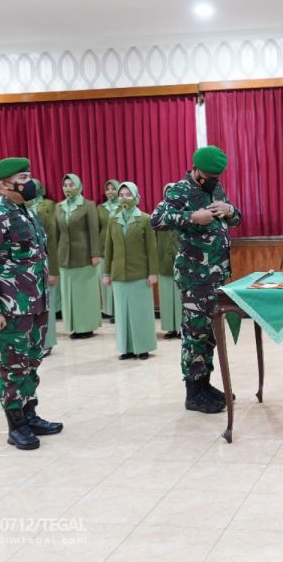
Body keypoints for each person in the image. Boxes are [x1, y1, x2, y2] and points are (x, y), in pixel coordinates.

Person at [0, 157, 62, 450]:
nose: (29, 182)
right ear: (5, 184)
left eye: (29, 176)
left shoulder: (28, 213)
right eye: (23, 178)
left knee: (32, 361)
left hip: (36, 303)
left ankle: (29, 414)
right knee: (12, 366)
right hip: (11, 307)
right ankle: (16, 425)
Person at [151, 146, 242, 414]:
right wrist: (192, 217)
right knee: (195, 334)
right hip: (194, 277)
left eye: (217, 176)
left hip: (217, 275)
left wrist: (229, 209)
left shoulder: (216, 189)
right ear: (196, 170)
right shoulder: (179, 190)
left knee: (210, 333)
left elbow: (236, 220)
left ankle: (204, 384)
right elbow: (156, 219)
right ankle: (193, 392)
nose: (214, 180)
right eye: (210, 175)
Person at [102, 181, 158, 360]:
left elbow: (152, 249)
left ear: (136, 197)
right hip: (119, 274)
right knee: (122, 313)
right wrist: (106, 273)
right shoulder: (113, 219)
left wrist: (153, 273)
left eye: (128, 195)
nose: (124, 198)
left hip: (140, 274)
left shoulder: (145, 219)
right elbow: (108, 248)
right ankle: (125, 348)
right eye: (121, 195)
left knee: (140, 312)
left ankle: (143, 347)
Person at [55, 174, 102, 339]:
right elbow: (56, 234)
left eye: (71, 185)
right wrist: (54, 256)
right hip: (64, 258)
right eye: (65, 185)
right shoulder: (59, 207)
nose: (68, 188)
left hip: (84, 256)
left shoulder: (88, 205)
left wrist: (95, 253)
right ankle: (73, 326)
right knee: (69, 294)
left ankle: (87, 327)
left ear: (79, 186)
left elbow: (94, 231)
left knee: (85, 293)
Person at [30, 179, 59, 356]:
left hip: (43, 262)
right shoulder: (17, 208)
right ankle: (32, 343)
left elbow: (52, 240)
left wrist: (53, 270)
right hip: (24, 267)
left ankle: (46, 342)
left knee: (45, 305)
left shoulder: (46, 208)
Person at [156, 183, 182, 340]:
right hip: (163, 262)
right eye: (167, 192)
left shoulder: (185, 213)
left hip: (182, 264)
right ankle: (170, 328)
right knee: (166, 298)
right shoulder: (158, 215)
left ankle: (181, 328)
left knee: (180, 297)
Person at [97, 179, 120, 321]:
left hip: (119, 247)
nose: (110, 191)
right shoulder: (100, 208)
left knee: (118, 280)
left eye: (113, 188)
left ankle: (119, 310)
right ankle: (108, 310)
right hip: (103, 248)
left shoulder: (123, 205)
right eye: (108, 188)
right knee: (105, 280)